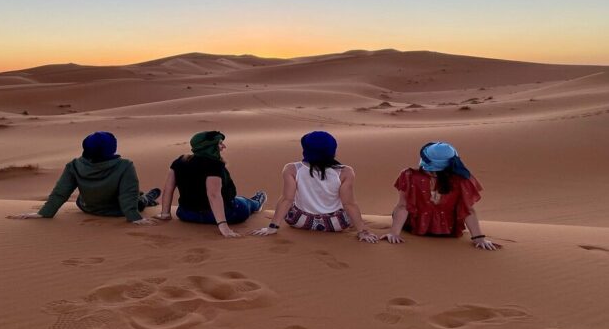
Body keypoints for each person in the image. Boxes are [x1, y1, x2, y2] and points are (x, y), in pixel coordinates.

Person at [7, 131, 160, 225]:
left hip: (87, 207)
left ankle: (144, 196)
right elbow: (127, 195)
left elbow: (61, 192)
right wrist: (135, 218)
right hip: (117, 211)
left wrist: (44, 213)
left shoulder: (74, 165)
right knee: (139, 200)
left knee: (134, 195)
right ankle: (148, 198)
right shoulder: (125, 165)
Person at [251, 131, 379, 243]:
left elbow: (287, 199)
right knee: (348, 211)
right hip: (335, 224)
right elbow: (349, 204)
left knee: (291, 201)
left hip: (299, 221)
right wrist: (362, 230)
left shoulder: (292, 169)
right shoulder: (345, 172)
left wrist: (272, 227)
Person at [381, 142, 497, 250]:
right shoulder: (462, 180)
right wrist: (479, 238)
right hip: (448, 231)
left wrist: (394, 233)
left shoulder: (409, 175)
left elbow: (403, 206)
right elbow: (468, 210)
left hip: (414, 227)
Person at [154, 131, 266, 237]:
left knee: (237, 199)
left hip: (186, 214)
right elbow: (213, 195)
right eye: (220, 144)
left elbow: (168, 188)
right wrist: (223, 227)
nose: (223, 147)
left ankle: (252, 202)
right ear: (209, 147)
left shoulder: (180, 161)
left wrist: (165, 214)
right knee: (244, 201)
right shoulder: (214, 165)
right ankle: (257, 202)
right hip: (225, 215)